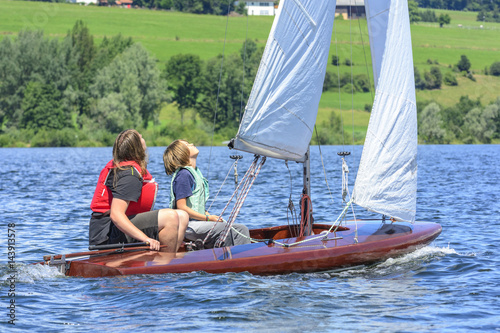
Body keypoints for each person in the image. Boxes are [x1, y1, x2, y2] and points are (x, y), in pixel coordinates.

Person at [89, 129, 189, 252]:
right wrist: (146, 239)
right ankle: (164, 265)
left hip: (113, 230)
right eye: (141, 137)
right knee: (170, 217)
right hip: (106, 235)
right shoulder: (129, 175)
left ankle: (172, 258)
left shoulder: (129, 169)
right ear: (137, 147)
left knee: (182, 216)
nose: (143, 138)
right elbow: (116, 215)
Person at [163, 140, 251, 249]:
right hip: (188, 226)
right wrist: (208, 218)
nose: (191, 143)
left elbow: (195, 206)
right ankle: (231, 260)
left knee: (241, 229)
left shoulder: (194, 173)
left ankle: (243, 258)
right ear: (182, 153)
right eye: (187, 145)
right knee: (225, 229)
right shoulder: (183, 175)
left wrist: (209, 216)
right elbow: (182, 208)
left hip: (197, 223)